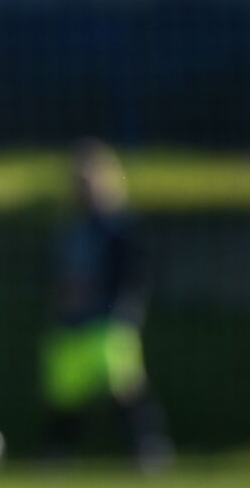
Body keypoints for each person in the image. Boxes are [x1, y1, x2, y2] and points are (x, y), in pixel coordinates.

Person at [41, 139, 173, 470]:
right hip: (71, 322)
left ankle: (148, 447)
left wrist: (125, 312)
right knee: (65, 394)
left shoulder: (119, 228)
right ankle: (59, 454)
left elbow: (135, 275)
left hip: (108, 320)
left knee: (123, 388)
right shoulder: (69, 228)